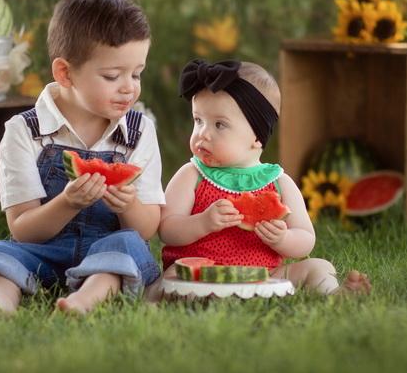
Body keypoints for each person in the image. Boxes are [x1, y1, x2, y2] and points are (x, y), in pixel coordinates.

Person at [0, 0, 164, 316]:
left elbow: (148, 227)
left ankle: (84, 301)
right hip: (41, 250)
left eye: (137, 74)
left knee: (128, 246)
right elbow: (22, 227)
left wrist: (130, 205)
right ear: (64, 72)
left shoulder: (139, 130)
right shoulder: (25, 132)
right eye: (111, 76)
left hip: (107, 252)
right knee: (0, 255)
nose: (129, 87)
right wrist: (67, 202)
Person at [157, 59, 371, 296]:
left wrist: (283, 239)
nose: (202, 134)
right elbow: (166, 229)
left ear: (257, 137)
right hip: (198, 275)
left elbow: (306, 238)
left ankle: (335, 294)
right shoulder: (192, 174)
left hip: (264, 276)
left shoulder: (279, 183)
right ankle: (151, 301)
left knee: (319, 266)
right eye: (198, 121)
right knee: (169, 277)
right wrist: (203, 222)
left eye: (219, 125)